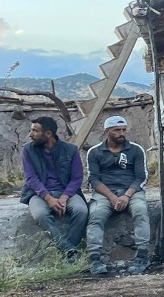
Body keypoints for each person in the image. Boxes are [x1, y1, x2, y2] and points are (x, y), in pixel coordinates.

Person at [85, 116, 151, 275]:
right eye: (117, 130)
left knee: (141, 210)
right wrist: (112, 197)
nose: (121, 133)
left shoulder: (135, 149)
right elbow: (93, 179)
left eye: (123, 129)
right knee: (96, 215)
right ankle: (94, 257)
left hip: (131, 191)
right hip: (105, 193)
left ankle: (143, 254)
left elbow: (141, 177)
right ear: (107, 131)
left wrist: (126, 196)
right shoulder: (94, 152)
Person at [19, 116, 88, 256]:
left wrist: (64, 197)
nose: (30, 135)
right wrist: (48, 198)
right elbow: (31, 178)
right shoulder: (28, 150)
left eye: (34, 131)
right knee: (40, 214)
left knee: (82, 211)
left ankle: (69, 250)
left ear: (48, 134)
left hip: (67, 193)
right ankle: (68, 249)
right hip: (38, 194)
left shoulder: (71, 150)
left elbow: (77, 178)